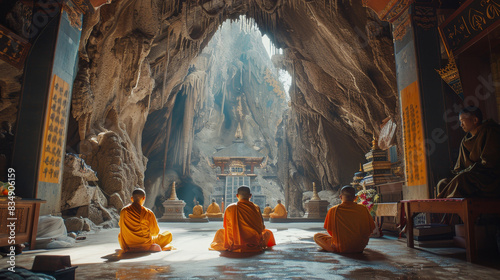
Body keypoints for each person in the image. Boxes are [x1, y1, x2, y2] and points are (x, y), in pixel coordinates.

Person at [437, 106, 500, 198]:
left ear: (475, 120)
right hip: (469, 175)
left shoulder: (490, 131)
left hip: (488, 177)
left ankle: (442, 204)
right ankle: (446, 209)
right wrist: (455, 174)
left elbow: (489, 163)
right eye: (460, 122)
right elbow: (458, 168)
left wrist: (466, 172)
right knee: (442, 183)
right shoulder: (465, 141)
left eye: (462, 121)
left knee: (462, 179)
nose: (461, 125)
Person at [209, 186, 276, 252]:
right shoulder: (256, 208)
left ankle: (236, 243)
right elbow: (261, 227)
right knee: (268, 233)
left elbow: (226, 226)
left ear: (237, 195)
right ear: (250, 196)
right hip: (254, 241)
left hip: (235, 242)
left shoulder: (230, 208)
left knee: (219, 233)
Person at [314, 186, 375, 253]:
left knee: (317, 236)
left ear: (340, 197)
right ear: (355, 198)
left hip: (341, 247)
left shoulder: (333, 210)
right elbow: (370, 230)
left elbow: (330, 231)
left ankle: (335, 248)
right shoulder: (363, 209)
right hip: (359, 247)